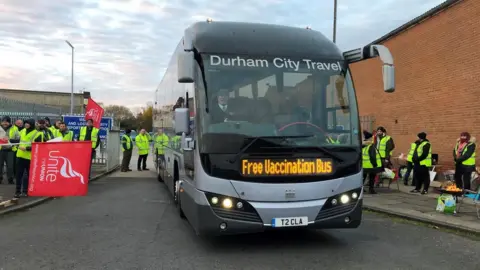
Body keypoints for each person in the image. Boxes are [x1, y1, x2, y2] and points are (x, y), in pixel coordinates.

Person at [15, 118, 45, 198]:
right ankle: (17, 191)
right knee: (19, 175)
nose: (26, 124)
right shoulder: (22, 131)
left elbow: (39, 146)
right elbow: (17, 141)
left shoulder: (38, 133)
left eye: (28, 123)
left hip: (30, 157)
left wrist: (27, 149)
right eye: (25, 123)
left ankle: (25, 191)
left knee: (28, 175)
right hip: (20, 155)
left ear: (31, 124)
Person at [0, 116, 20, 184]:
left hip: (10, 150)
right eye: (3, 122)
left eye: (6, 122)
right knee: (0, 165)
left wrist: (10, 140)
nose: (5, 123)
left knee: (10, 166)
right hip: (1, 149)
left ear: (9, 122)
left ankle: (10, 178)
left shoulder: (15, 129)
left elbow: (18, 139)